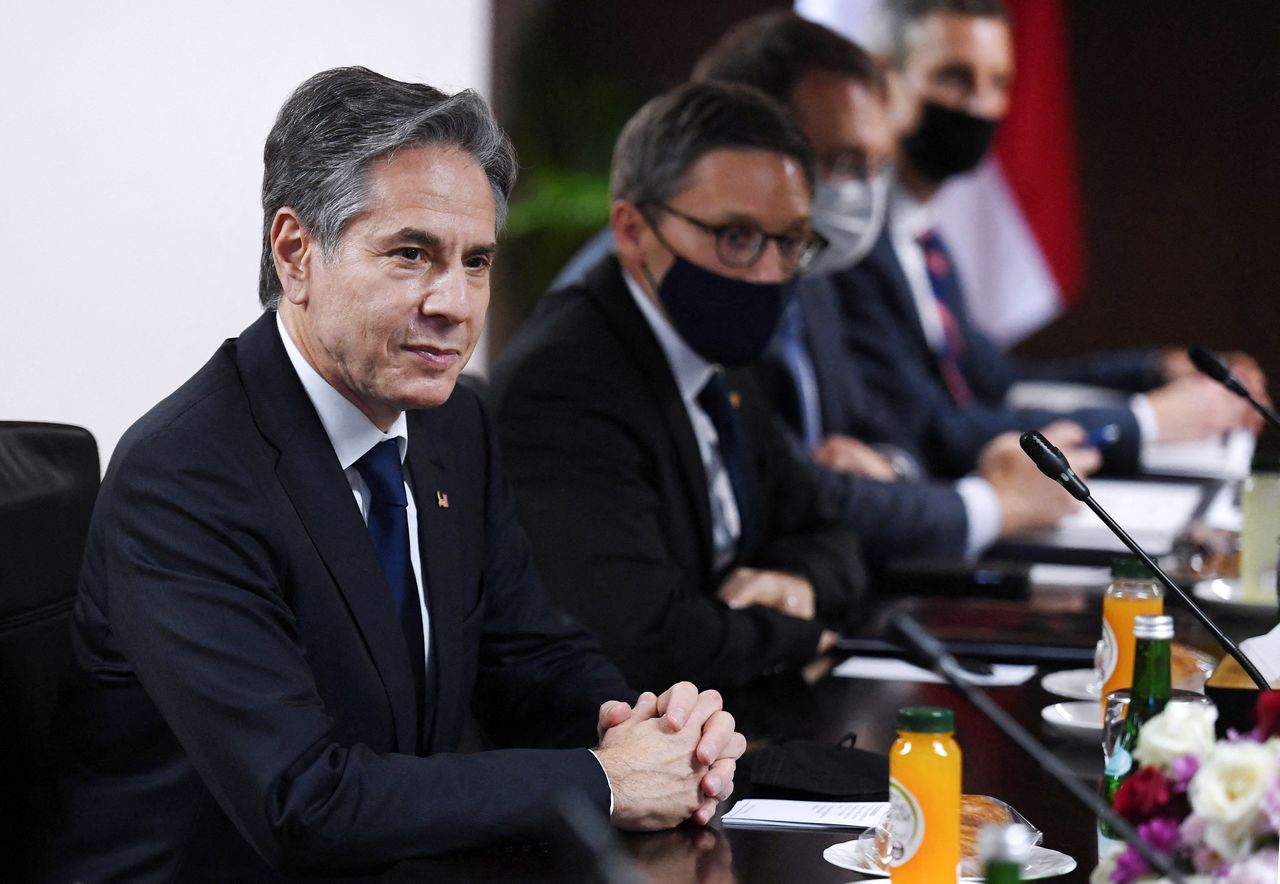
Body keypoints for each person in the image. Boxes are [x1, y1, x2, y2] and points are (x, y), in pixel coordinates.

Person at [47, 67, 744, 882]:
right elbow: (305, 804)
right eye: (412, 254)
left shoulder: (454, 422)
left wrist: (647, 730)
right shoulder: (185, 476)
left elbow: (529, 657)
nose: (455, 303)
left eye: (475, 261)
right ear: (296, 253)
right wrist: (605, 779)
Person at [490, 81, 867, 691]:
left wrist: (798, 584)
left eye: (792, 241)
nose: (769, 274)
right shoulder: (563, 383)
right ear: (633, 231)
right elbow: (641, 638)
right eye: (736, 238)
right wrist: (797, 636)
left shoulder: (719, 353)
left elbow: (832, 534)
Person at [689, 10, 1098, 560]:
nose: (864, 194)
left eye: (877, 166)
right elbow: (785, 494)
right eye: (844, 162)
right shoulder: (704, 293)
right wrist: (992, 504)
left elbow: (878, 433)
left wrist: (891, 469)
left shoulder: (809, 273)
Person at [832, 0, 1262, 479]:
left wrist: (1152, 372)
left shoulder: (921, 234)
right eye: (955, 77)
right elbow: (935, 432)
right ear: (884, 76)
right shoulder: (850, 244)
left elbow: (995, 381)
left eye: (998, 84)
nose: (980, 105)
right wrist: (1150, 421)